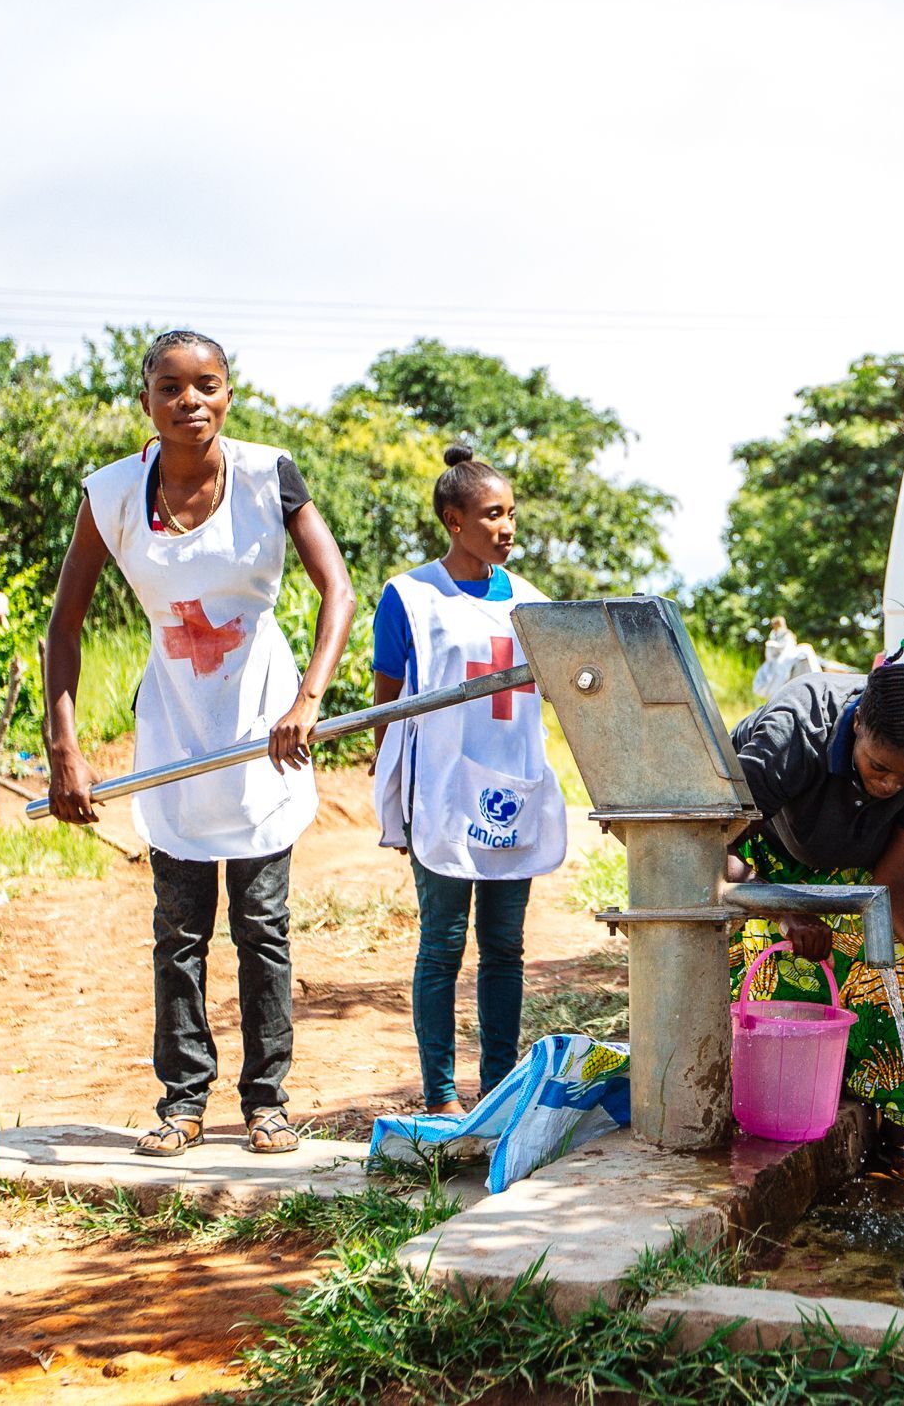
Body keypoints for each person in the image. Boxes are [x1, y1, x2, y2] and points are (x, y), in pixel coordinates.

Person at [44, 329, 356, 1158]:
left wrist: (307, 699)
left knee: (262, 923)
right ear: (145, 400)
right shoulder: (109, 494)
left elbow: (338, 590)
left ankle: (266, 1103)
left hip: (264, 729)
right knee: (178, 928)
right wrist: (64, 747)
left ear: (229, 393)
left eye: (207, 386)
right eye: (172, 388)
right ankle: (182, 1102)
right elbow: (64, 626)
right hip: (176, 728)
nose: (192, 402)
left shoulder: (266, 475)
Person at [373, 446, 567, 1115]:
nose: (507, 526)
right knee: (443, 944)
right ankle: (437, 1094)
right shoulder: (410, 596)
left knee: (505, 948)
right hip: (445, 795)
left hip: (513, 792)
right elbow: (389, 709)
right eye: (492, 514)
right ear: (453, 520)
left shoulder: (535, 605)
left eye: (512, 513)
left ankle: (499, 1088)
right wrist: (395, 803)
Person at [728, 661, 904, 1139]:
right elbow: (708, 844)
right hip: (758, 851)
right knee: (767, 987)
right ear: (856, 727)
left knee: (890, 982)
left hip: (855, 863)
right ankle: (752, 1114)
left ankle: (894, 1138)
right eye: (880, 767)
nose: (890, 786)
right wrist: (785, 913)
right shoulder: (794, 733)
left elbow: (903, 878)